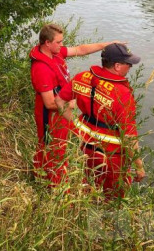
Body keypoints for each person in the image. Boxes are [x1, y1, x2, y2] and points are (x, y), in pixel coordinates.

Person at [29, 23, 119, 186]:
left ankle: (43, 177)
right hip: (50, 117)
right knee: (52, 149)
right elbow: (49, 103)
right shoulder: (41, 68)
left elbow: (80, 50)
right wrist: (72, 102)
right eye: (59, 42)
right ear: (47, 43)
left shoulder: (55, 53)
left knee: (64, 145)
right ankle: (54, 186)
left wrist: (106, 45)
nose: (62, 45)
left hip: (62, 113)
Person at [54, 43, 146, 200]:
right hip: (112, 156)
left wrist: (76, 124)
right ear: (117, 66)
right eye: (128, 63)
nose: (130, 67)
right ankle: (107, 215)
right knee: (114, 196)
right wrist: (139, 165)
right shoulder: (122, 93)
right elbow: (129, 137)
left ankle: (85, 210)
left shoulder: (83, 77)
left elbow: (59, 101)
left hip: (86, 147)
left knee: (88, 185)